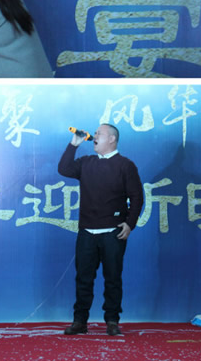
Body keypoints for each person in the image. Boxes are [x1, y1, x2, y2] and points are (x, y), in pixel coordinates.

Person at [57, 123, 144, 335]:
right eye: (94, 133)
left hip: (113, 232)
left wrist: (130, 224)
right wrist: (74, 144)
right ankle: (80, 321)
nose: (94, 136)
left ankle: (112, 321)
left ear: (112, 139)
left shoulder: (125, 165)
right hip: (87, 231)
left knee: (113, 278)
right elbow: (64, 169)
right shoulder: (86, 162)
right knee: (83, 278)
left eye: (99, 133)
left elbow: (137, 197)